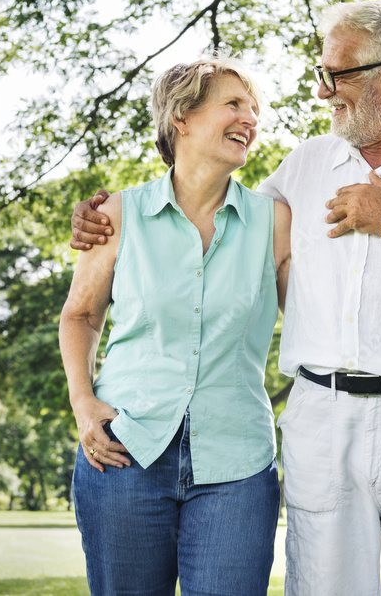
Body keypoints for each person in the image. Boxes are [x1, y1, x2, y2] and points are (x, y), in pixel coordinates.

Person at [69, 0, 381, 596]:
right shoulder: (308, 164)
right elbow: (210, 208)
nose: (322, 92)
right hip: (320, 419)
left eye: (336, 75)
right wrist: (106, 219)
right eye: (321, 75)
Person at [59, 56, 292, 596]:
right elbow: (81, 316)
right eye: (234, 104)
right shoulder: (118, 213)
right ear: (181, 117)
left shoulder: (274, 222)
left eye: (254, 109)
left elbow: (321, 314)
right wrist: (83, 402)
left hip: (237, 461)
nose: (250, 118)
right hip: (125, 449)